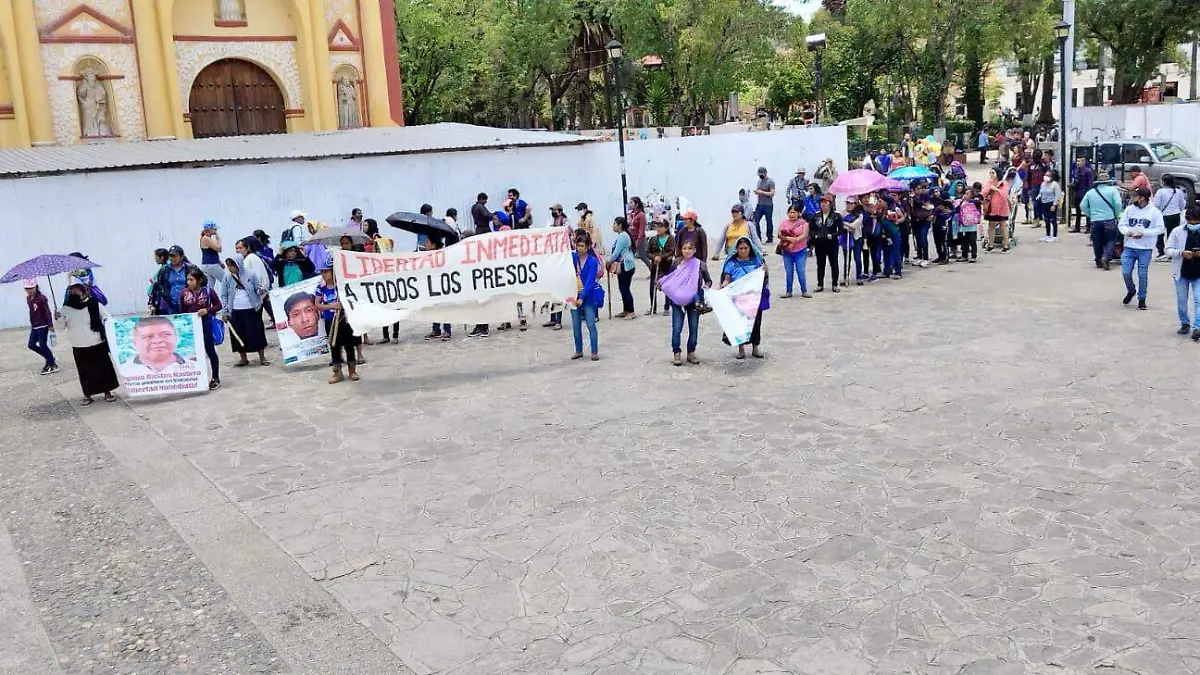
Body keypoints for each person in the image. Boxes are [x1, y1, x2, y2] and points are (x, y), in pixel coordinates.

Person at [57, 280, 118, 405]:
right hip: (79, 344)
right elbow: (60, 328)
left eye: (77, 292)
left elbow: (107, 317)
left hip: (96, 341)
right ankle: (88, 395)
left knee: (103, 369)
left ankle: (107, 392)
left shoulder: (95, 304)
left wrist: (105, 321)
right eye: (72, 293)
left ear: (85, 293)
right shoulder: (65, 309)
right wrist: (58, 319)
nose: (74, 295)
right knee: (85, 372)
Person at [660, 240, 711, 365]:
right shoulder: (676, 262)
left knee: (693, 328)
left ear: (694, 250)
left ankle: (691, 353)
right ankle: (676, 353)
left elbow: (708, 280)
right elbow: (671, 278)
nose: (687, 251)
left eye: (690, 248)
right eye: (684, 248)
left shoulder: (700, 265)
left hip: (695, 301)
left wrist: (706, 287)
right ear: (681, 250)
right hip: (677, 301)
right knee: (677, 328)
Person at [720, 237, 769, 359]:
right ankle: (741, 349)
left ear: (750, 248)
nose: (743, 251)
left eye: (746, 248)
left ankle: (755, 348)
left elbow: (764, 275)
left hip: (754, 298)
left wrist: (765, 269)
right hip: (738, 298)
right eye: (740, 248)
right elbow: (727, 278)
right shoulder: (731, 263)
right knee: (740, 325)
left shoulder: (756, 261)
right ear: (736, 249)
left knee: (756, 323)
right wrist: (725, 284)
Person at [1118, 186, 1166, 310]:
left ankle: (1142, 299)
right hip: (1129, 246)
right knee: (1126, 272)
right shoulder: (1129, 210)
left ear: (1142, 198)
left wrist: (1145, 233)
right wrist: (1127, 232)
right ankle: (1131, 290)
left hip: (1145, 248)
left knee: (1142, 274)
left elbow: (1160, 229)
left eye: (1135, 196)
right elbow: (1122, 224)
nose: (1133, 198)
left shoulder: (1154, 212)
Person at [219, 254, 270, 366]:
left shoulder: (250, 275)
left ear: (239, 264)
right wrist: (225, 310)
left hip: (251, 309)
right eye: (228, 266)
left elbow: (257, 288)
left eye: (232, 265)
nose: (230, 268)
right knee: (238, 334)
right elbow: (224, 295)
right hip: (235, 310)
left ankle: (262, 357)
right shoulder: (227, 277)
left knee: (256, 332)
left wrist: (261, 290)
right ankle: (243, 358)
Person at [314, 262, 360, 383]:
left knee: (349, 345)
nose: (323, 274)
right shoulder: (321, 288)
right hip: (330, 321)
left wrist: (343, 305)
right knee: (334, 346)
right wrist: (331, 305)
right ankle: (338, 372)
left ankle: (352, 370)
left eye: (326, 271)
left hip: (344, 319)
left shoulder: (341, 286)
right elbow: (317, 305)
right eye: (322, 272)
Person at [180, 268, 223, 390]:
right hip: (192, 327)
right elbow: (182, 311)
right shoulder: (184, 293)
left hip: (206, 324)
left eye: (191, 280)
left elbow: (218, 305)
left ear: (199, 280)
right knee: (194, 354)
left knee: (210, 351)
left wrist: (207, 310)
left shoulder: (208, 292)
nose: (189, 282)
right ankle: (196, 378)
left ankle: (215, 377)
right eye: (187, 280)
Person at [1166, 204, 1200, 340]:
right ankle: (1185, 323)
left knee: (1199, 299)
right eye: (1191, 221)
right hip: (1182, 272)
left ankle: (1197, 327)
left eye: (1197, 222)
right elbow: (1167, 249)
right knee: (1182, 300)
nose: (1193, 224)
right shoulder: (1176, 232)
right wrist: (1181, 253)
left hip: (1198, 272)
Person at [569, 232, 603, 361]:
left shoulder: (592, 261)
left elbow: (590, 281)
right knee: (576, 325)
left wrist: (582, 297)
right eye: (578, 245)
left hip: (588, 296)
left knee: (590, 324)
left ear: (588, 247)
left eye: (582, 246)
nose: (580, 248)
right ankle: (578, 350)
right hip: (573, 294)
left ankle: (594, 351)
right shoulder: (572, 258)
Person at [1080, 170, 1123, 270]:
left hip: (1095, 220)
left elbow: (1082, 206)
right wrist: (1116, 214)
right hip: (1109, 219)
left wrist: (1091, 214)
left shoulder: (1090, 192)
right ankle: (1106, 257)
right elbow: (1118, 204)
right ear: (1108, 181)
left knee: (1097, 241)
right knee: (1111, 240)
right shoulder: (1113, 190)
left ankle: (1099, 260)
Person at [236, 236, 274, 323]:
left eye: (240, 248)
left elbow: (257, 276)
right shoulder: (247, 259)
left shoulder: (251, 258)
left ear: (248, 248)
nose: (238, 250)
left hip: (257, 293)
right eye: (237, 248)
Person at [24, 279, 58, 375]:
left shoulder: (42, 298)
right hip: (35, 325)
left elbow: (47, 311)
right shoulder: (28, 299)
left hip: (43, 324)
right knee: (31, 345)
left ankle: (52, 364)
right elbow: (32, 312)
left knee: (43, 345)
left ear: (36, 287)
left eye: (31, 288)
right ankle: (49, 357)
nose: (29, 290)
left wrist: (50, 325)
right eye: (27, 288)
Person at [644, 218, 677, 315]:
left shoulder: (671, 239)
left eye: (661, 226)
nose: (658, 228)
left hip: (666, 266)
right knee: (652, 287)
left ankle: (667, 307)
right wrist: (654, 258)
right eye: (657, 226)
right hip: (655, 266)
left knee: (667, 286)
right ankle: (653, 307)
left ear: (666, 228)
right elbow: (647, 252)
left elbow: (671, 251)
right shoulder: (653, 239)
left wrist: (661, 257)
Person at [150, 245, 195, 315]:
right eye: (170, 256)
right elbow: (158, 286)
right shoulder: (164, 270)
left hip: (188, 303)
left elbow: (201, 282)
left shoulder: (190, 268)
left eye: (174, 256)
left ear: (181, 257)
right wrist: (152, 303)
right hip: (170, 304)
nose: (172, 258)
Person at [809, 195, 841, 291]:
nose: (823, 204)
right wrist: (814, 235)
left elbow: (841, 230)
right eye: (821, 202)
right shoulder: (816, 216)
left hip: (832, 243)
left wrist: (833, 235)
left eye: (825, 202)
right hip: (819, 243)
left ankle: (835, 284)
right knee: (820, 264)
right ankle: (820, 284)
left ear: (830, 204)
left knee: (834, 264)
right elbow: (811, 228)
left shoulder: (836, 216)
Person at [1153, 176, 1189, 261]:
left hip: (1163, 215)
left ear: (1163, 182)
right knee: (1172, 234)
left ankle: (1161, 252)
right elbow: (1182, 204)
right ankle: (1171, 252)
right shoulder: (1178, 191)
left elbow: (1156, 204)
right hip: (1175, 215)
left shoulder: (1160, 192)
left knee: (1160, 234)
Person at [778, 204, 810, 298]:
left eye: (794, 212)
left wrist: (796, 240)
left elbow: (805, 235)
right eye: (790, 212)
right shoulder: (784, 223)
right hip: (787, 251)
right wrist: (788, 238)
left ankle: (804, 291)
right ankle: (788, 291)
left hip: (800, 250)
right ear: (787, 213)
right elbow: (779, 234)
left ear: (799, 213)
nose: (792, 214)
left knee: (800, 270)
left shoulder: (804, 223)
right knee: (789, 271)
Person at [608, 216, 637, 318]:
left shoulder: (623, 236)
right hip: (623, 264)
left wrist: (609, 261)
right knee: (622, 288)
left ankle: (631, 311)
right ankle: (626, 310)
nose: (613, 226)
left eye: (615, 224)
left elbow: (616, 253)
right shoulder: (622, 235)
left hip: (626, 265)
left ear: (620, 225)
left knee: (625, 289)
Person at [982, 168, 1011, 252]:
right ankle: (991, 244)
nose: (991, 175)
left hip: (1001, 207)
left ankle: (1005, 244)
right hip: (991, 208)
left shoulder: (1004, 183)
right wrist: (990, 188)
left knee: (1003, 226)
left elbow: (1004, 194)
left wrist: (996, 189)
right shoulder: (988, 182)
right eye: (990, 173)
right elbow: (984, 192)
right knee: (991, 226)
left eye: (993, 173)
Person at [957, 185, 983, 263]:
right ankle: (964, 255)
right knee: (964, 240)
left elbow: (978, 203)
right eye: (965, 193)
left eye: (967, 194)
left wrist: (970, 201)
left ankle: (973, 255)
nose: (965, 195)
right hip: (964, 224)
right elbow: (958, 209)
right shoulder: (963, 202)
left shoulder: (974, 202)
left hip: (972, 225)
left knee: (972, 240)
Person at [1070, 157, 1095, 233]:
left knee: (1087, 211)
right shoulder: (1076, 171)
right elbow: (1076, 182)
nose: (1077, 163)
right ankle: (1077, 227)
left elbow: (1090, 184)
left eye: (1079, 161)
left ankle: (1088, 228)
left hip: (1084, 193)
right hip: (1077, 193)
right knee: (1078, 211)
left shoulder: (1088, 171)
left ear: (1083, 162)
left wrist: (1089, 194)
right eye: (1077, 161)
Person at [752, 166, 776, 243]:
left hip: (768, 205)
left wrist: (762, 192)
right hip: (759, 204)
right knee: (756, 220)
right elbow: (759, 190)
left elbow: (772, 193)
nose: (760, 175)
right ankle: (758, 238)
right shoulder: (759, 181)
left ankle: (770, 237)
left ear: (765, 173)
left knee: (768, 221)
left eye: (761, 174)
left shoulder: (770, 181)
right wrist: (757, 192)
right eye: (759, 174)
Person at [1038, 169, 1063, 242]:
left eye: (1048, 175)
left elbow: (1057, 195)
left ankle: (1055, 236)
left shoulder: (1055, 184)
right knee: (1046, 220)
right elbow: (1041, 192)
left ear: (1052, 177)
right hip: (1044, 203)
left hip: (1051, 203)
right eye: (1045, 175)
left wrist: (1054, 205)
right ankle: (1047, 235)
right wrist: (1038, 197)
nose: (1046, 177)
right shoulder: (1043, 184)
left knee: (1053, 220)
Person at [199, 221, 225, 286]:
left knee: (209, 286)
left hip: (207, 264)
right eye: (214, 229)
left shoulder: (206, 238)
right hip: (211, 264)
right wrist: (218, 239)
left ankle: (208, 296)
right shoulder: (206, 239)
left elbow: (211, 253)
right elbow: (219, 249)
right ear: (209, 229)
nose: (216, 231)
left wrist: (219, 262)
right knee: (227, 281)